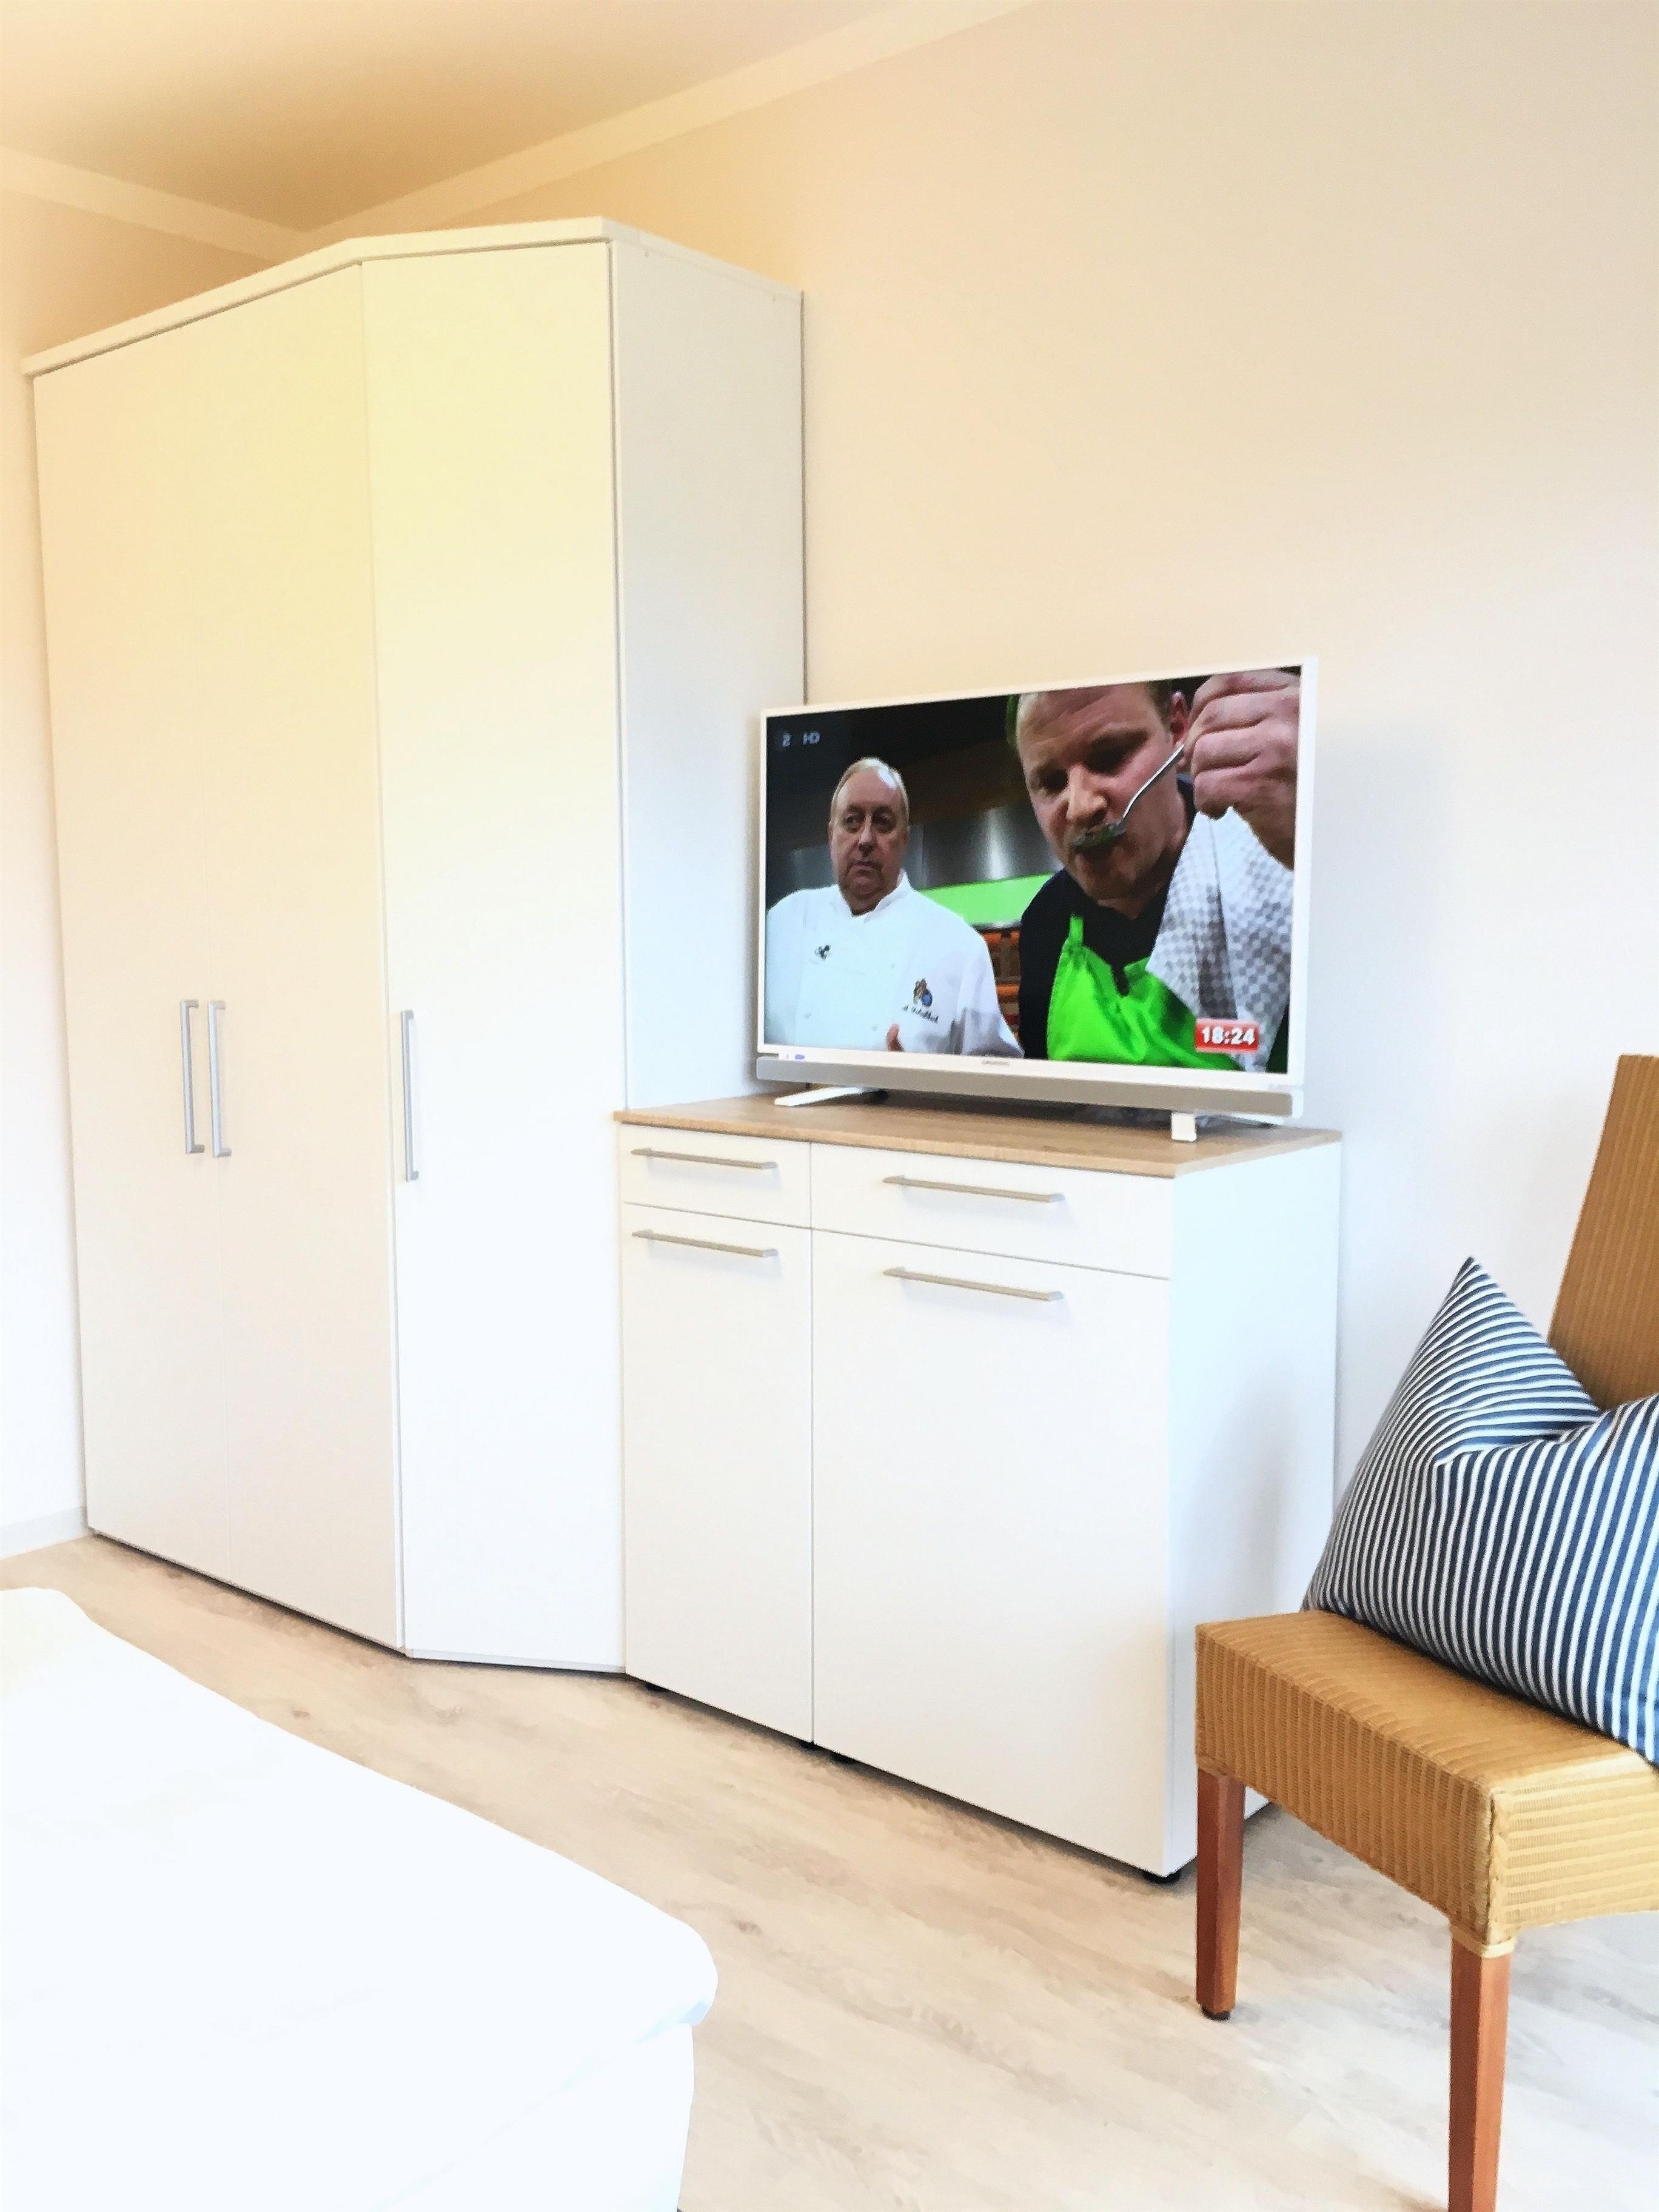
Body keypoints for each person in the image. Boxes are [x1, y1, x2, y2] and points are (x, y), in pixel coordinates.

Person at [1011, 670, 1299, 1072]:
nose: (1080, 808)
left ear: (1177, 728)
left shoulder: (1279, 870)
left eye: (1110, 757)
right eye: (1050, 782)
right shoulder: (1045, 923)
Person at [765, 758, 1021, 1056]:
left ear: (904, 839)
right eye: (852, 821)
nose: (865, 839)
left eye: (883, 822)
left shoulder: (960, 947)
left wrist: (919, 1078)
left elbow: (993, 1069)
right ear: (831, 835)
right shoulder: (782, 923)